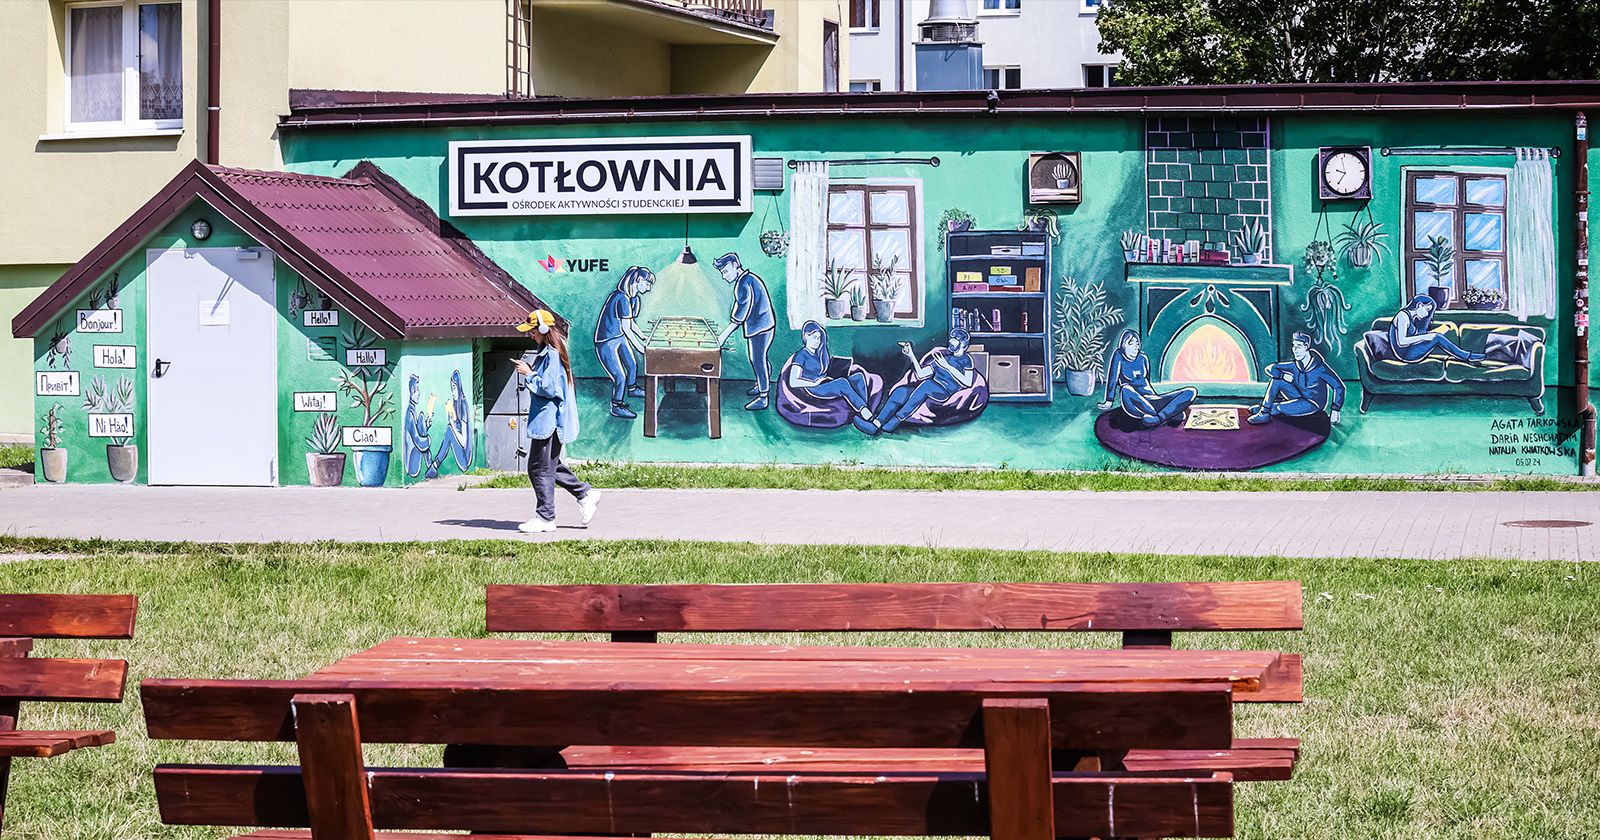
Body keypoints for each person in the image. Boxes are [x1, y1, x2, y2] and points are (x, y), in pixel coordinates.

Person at [512, 309, 600, 534]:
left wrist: (529, 374)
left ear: (543, 329)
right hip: (547, 420)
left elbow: (551, 388)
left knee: (540, 469)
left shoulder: (551, 355)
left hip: (550, 421)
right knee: (546, 467)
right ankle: (584, 493)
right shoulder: (548, 353)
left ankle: (545, 517)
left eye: (532, 330)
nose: (530, 334)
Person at [875, 328, 977, 434]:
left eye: (955, 339)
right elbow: (921, 374)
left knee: (927, 385)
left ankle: (897, 419)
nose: (951, 341)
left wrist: (947, 367)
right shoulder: (943, 358)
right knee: (900, 391)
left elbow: (967, 382)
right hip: (931, 387)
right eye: (951, 338)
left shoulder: (966, 359)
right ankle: (877, 422)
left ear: (962, 344)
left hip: (945, 392)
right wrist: (911, 355)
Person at [786, 320, 878, 433]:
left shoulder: (818, 354)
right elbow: (793, 381)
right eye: (814, 337)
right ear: (806, 336)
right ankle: (867, 415)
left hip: (823, 382)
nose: (817, 341)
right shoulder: (801, 356)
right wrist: (814, 383)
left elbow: (822, 372)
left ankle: (861, 415)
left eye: (819, 338)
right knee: (842, 383)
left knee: (858, 377)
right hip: (813, 388)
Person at [713, 252, 775, 411]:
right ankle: (763, 383)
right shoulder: (748, 279)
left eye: (725, 271)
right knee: (761, 358)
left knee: (757, 359)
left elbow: (739, 315)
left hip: (760, 328)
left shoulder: (743, 284)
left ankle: (763, 396)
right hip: (765, 325)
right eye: (722, 273)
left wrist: (722, 338)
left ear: (735, 265)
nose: (724, 276)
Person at [1096, 329, 1197, 427]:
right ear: (1123, 345)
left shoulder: (1143, 358)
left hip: (1152, 399)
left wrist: (1156, 398)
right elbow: (1112, 378)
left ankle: (1159, 418)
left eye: (1137, 344)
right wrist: (1109, 400)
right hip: (1133, 401)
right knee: (1126, 389)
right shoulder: (1118, 355)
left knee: (1191, 391)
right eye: (1131, 343)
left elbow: (1146, 382)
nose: (1136, 347)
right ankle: (1169, 414)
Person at [1247, 331, 1345, 426]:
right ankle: (1264, 412)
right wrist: (1282, 375)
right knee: (1276, 380)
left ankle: (1265, 409)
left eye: (1299, 347)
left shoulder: (1320, 368)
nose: (1295, 350)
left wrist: (1335, 409)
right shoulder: (1295, 365)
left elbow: (1339, 386)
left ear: (1306, 347)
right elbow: (1269, 368)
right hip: (1298, 396)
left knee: (1280, 407)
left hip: (1313, 404)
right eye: (1294, 346)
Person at [594, 266, 654, 419]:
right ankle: (617, 405)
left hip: (619, 337)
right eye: (647, 283)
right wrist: (640, 348)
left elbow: (631, 323)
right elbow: (626, 328)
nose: (649, 287)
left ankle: (632, 389)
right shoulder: (621, 297)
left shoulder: (634, 299)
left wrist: (643, 337)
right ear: (638, 280)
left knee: (632, 364)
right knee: (620, 376)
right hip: (606, 340)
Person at [1390, 294, 1485, 363]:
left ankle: (1467, 356)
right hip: (1405, 355)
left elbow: (1416, 337)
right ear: (1419, 305)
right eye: (1427, 310)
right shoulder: (1403, 316)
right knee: (1438, 337)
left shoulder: (1412, 318)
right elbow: (1401, 341)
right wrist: (1425, 337)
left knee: (1437, 336)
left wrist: (1431, 334)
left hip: (1410, 350)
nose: (1427, 314)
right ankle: (1468, 356)